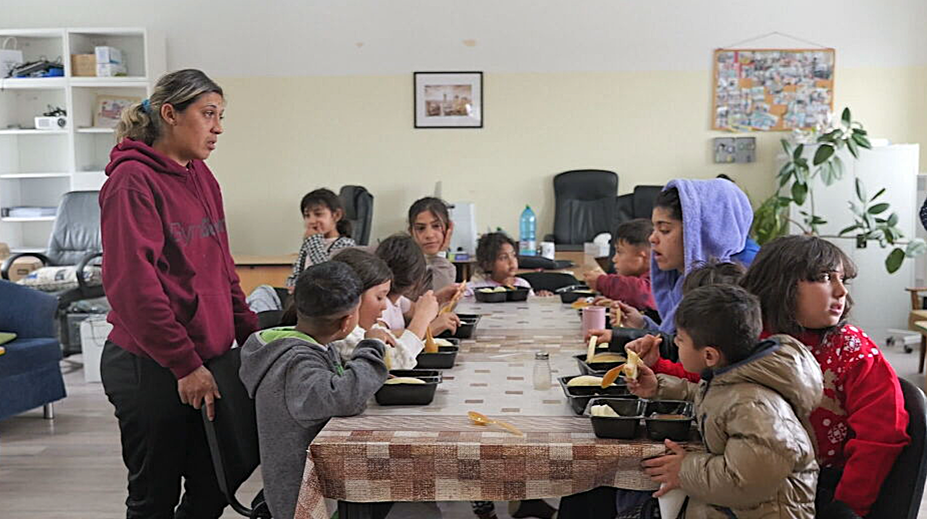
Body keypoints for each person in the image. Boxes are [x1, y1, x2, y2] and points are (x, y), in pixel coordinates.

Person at [99, 69, 258, 518]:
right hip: (150, 365)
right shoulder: (131, 182)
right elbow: (133, 288)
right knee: (154, 499)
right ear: (170, 114)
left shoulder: (203, 177)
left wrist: (252, 336)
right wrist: (185, 364)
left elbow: (223, 269)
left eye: (221, 115)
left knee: (215, 486)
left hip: (204, 362)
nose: (218, 127)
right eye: (208, 114)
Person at [742, 235, 910, 518]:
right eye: (824, 278)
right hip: (751, 478)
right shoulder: (754, 338)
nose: (841, 291)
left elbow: (882, 434)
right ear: (780, 283)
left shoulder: (851, 348)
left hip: (820, 492)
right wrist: (658, 367)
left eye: (842, 279)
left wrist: (845, 508)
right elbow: (708, 377)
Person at [629, 284, 822, 518]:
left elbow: (744, 482)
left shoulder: (755, 407)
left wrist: (684, 469)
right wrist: (659, 386)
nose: (675, 344)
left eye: (680, 339)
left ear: (709, 355)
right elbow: (716, 399)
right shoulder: (733, 380)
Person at [239, 261, 389, 519]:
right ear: (346, 322)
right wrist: (371, 346)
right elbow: (344, 397)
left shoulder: (304, 345)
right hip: (303, 501)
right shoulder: (294, 364)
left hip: (316, 481)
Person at [330, 248, 438, 369]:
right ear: (353, 295)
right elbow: (395, 363)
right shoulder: (342, 334)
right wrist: (422, 318)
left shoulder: (366, 328)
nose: (385, 306)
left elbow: (395, 346)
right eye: (380, 297)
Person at [376, 234, 459, 336]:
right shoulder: (382, 305)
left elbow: (416, 310)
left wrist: (438, 299)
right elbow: (382, 338)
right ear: (416, 279)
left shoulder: (397, 299)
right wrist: (430, 329)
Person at [285, 188, 356, 290]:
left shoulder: (345, 244)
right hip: (302, 295)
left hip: (325, 297)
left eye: (318, 214)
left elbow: (326, 272)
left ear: (336, 215)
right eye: (307, 215)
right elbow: (296, 273)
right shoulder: (310, 243)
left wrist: (313, 240)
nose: (311, 220)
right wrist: (292, 285)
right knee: (263, 291)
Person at [582, 218, 656, 313]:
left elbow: (641, 293)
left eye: (620, 252)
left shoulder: (659, 280)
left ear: (641, 257)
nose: (614, 259)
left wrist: (603, 282)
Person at [409, 196, 458, 292]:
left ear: (449, 228)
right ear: (411, 232)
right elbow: (436, 299)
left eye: (436, 226)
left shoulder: (446, 267)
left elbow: (443, 302)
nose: (429, 235)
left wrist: (440, 255)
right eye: (420, 228)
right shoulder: (405, 265)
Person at [465, 232, 533, 296]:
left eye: (513, 255)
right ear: (488, 265)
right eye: (503, 257)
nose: (512, 261)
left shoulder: (523, 285)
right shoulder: (478, 287)